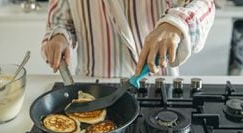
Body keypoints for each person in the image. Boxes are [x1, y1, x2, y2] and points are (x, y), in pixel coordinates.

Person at [41, 0, 215, 78]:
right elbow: (59, 21)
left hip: (157, 81)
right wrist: (59, 37)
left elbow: (204, 4)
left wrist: (176, 24)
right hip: (93, 85)